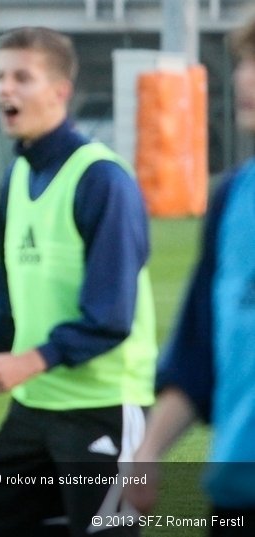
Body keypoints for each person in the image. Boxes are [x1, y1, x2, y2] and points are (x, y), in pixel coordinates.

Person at [0, 27, 157, 536]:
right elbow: (7, 296)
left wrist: (28, 361)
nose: (3, 89)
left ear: (59, 91)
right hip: (35, 406)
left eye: (21, 77)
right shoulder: (14, 179)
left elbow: (111, 316)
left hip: (103, 406)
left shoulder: (102, 179)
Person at [124, 17, 255, 535]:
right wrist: (148, 449)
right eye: (245, 62)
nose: (244, 78)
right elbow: (197, 354)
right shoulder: (232, 200)